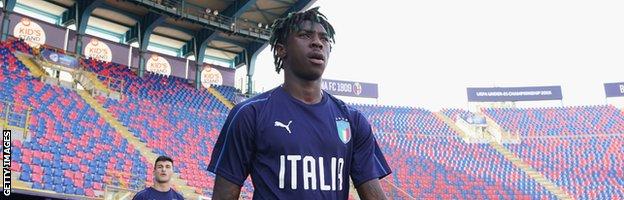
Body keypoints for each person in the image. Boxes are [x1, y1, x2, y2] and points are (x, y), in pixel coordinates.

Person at [208, 7, 391, 200]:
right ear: (281, 49)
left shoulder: (353, 120)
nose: (317, 43)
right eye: (305, 35)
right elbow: (224, 194)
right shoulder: (250, 113)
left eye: (324, 39)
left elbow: (373, 194)